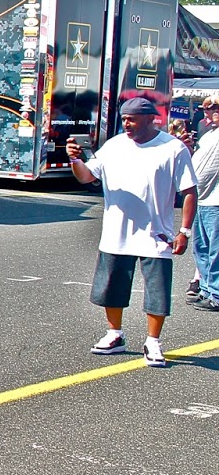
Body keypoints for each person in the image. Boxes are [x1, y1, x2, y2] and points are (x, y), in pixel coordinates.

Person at [66, 97, 198, 368]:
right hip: (116, 233)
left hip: (156, 235)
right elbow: (86, 177)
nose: (127, 124)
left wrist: (184, 230)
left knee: (157, 291)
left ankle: (153, 342)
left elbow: (189, 191)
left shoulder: (173, 149)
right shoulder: (114, 146)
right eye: (125, 119)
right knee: (111, 288)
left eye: (133, 119)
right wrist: (75, 159)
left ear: (151, 120)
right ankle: (115, 335)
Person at [188, 101, 219, 311]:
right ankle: (207, 289)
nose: (210, 112)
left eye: (215, 109)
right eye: (209, 109)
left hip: (215, 200)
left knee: (216, 251)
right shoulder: (208, 134)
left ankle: (216, 294)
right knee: (201, 248)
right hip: (202, 198)